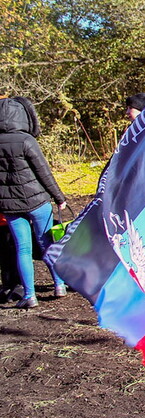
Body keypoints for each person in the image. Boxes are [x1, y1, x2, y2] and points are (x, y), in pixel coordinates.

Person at [0, 96, 68, 309]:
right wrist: (59, 197)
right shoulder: (26, 140)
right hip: (38, 201)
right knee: (47, 244)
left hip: (10, 206)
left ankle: (30, 295)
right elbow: (43, 172)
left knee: (23, 249)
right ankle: (59, 285)